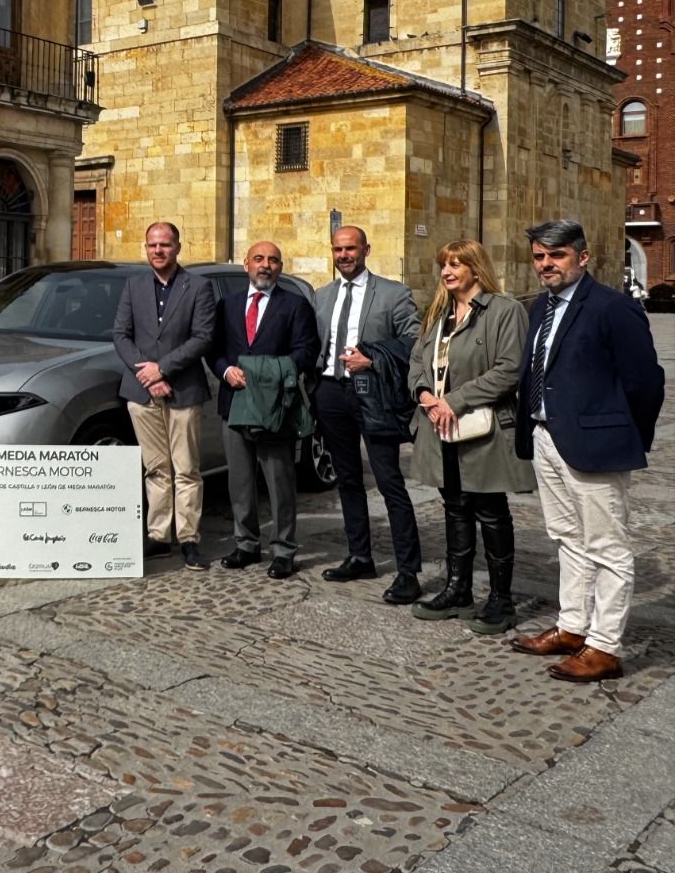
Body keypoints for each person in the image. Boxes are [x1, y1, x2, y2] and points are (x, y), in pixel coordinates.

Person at [511, 220, 665, 682]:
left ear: (582, 256)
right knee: (566, 538)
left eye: (555, 256)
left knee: (607, 547)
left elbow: (645, 382)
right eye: (539, 257)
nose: (546, 265)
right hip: (545, 436)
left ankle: (605, 646)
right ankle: (573, 626)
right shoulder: (540, 307)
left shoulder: (612, 307)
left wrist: (622, 435)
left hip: (596, 444)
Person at [406, 239, 534, 635]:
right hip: (439, 426)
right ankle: (458, 589)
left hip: (483, 429)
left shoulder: (504, 310)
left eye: (455, 264)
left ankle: (501, 598)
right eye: (443, 264)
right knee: (455, 505)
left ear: (476, 269)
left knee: (490, 510)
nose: (446, 271)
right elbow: (415, 363)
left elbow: (509, 369)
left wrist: (455, 401)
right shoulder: (437, 313)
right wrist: (426, 395)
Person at [312, 225, 423, 605]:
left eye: (351, 249)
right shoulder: (321, 296)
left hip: (373, 393)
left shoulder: (393, 293)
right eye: (338, 249)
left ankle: (408, 572)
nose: (344, 255)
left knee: (389, 480)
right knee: (346, 479)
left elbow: (415, 340)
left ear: (366, 250)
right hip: (331, 393)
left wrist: (373, 358)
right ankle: (360, 556)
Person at [209, 240, 318, 579]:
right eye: (258, 259)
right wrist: (227, 370)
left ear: (280, 267)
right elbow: (214, 350)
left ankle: (284, 549)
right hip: (235, 402)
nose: (265, 265)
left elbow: (306, 350)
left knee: (279, 480)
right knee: (240, 480)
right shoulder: (227, 305)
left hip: (276, 408)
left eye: (272, 259)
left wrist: (270, 373)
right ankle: (246, 544)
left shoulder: (295, 305)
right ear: (246, 264)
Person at [110, 221, 215, 570]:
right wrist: (148, 374)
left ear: (177, 247)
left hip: (183, 389)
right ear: (146, 247)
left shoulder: (198, 287)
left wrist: (163, 369)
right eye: (153, 245)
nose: (158, 250)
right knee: (155, 468)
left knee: (186, 469)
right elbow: (121, 335)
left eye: (165, 245)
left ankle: (188, 538)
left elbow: (202, 337)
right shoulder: (133, 284)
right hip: (142, 392)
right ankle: (158, 536)